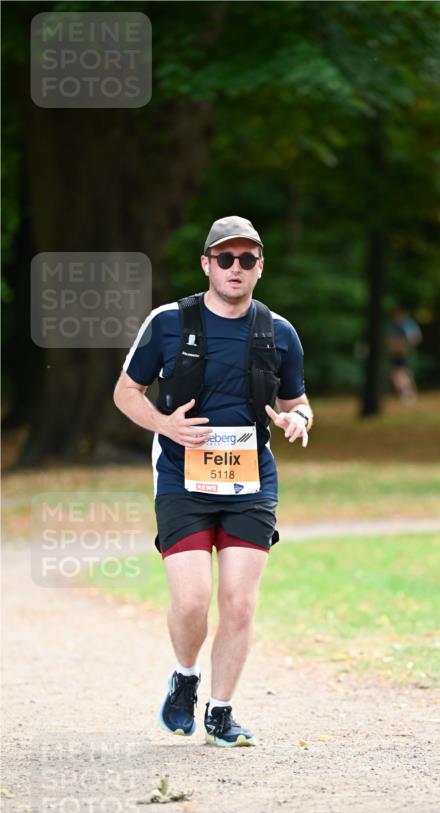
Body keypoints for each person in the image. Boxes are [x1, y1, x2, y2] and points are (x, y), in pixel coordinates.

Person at [113, 216, 313, 746]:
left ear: (260, 267)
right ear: (207, 264)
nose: (236, 268)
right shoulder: (167, 322)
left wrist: (300, 419)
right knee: (192, 600)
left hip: (251, 480)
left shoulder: (279, 331)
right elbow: (126, 392)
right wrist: (165, 424)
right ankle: (185, 677)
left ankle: (221, 712)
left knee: (241, 602)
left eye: (247, 259)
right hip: (182, 477)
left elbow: (296, 402)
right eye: (225, 258)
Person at [386, 306, 422, 402]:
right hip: (395, 353)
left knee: (403, 373)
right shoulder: (393, 325)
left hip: (405, 353)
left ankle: (408, 393)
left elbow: (416, 338)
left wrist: (405, 344)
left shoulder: (408, 324)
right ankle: (405, 393)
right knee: (396, 374)